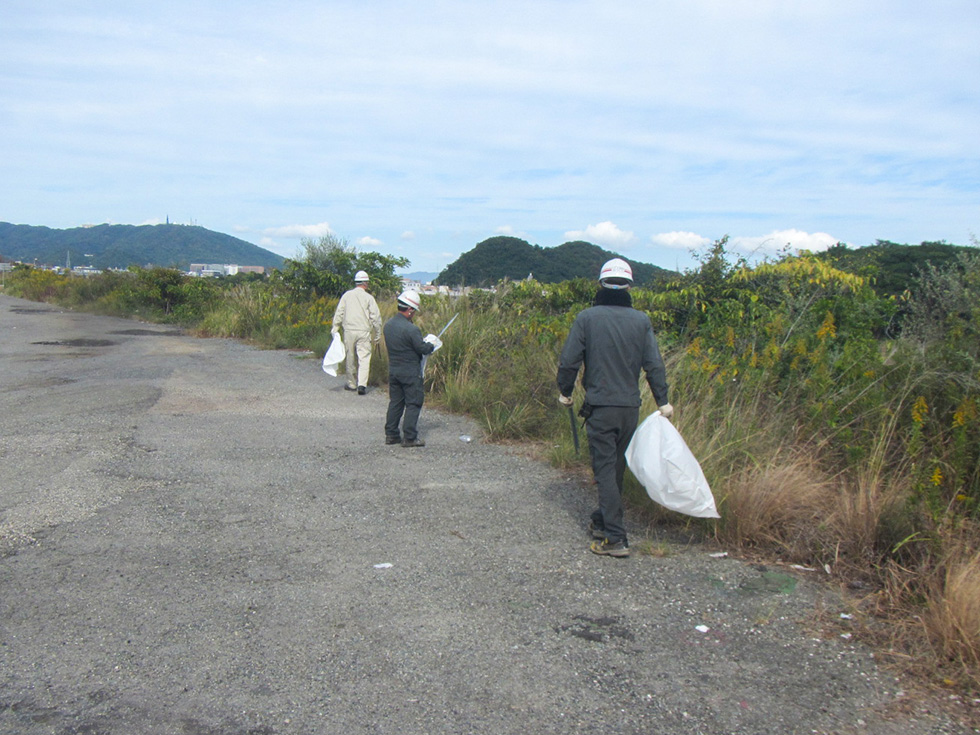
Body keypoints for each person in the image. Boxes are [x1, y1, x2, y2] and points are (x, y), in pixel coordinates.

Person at [557, 258, 673, 558]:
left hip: (601, 407)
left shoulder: (587, 318)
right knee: (616, 467)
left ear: (601, 284)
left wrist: (565, 392)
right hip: (630, 409)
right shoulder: (641, 320)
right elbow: (654, 365)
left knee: (605, 469)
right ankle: (601, 519)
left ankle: (615, 538)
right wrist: (662, 401)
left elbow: (569, 361)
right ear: (629, 286)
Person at [383, 290, 441, 447]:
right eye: (414, 311)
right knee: (413, 403)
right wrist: (432, 344)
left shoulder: (388, 326)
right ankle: (409, 437)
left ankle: (391, 434)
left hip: (394, 371)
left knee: (396, 402)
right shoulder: (411, 329)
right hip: (410, 372)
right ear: (409, 309)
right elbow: (422, 348)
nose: (414, 314)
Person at [332, 271, 382, 395]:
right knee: (364, 358)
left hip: (349, 330)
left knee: (350, 357)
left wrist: (335, 327)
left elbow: (339, 312)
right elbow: (376, 317)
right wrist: (378, 333)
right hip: (364, 331)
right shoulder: (369, 298)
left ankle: (351, 383)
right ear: (366, 283)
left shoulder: (347, 295)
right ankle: (362, 385)